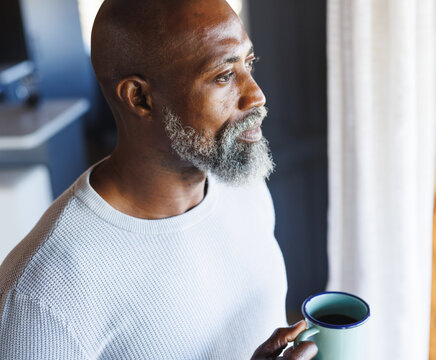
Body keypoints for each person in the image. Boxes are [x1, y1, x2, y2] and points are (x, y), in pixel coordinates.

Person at [0, 0, 318, 359]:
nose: (257, 94)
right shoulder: (42, 295)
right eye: (224, 76)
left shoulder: (243, 186)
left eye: (249, 63)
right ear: (140, 98)